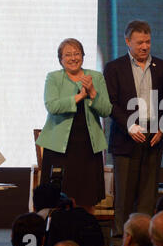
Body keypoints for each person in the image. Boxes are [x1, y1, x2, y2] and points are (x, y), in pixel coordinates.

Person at [103, 20, 163, 236]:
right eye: (140, 42)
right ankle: (122, 237)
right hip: (125, 136)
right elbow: (110, 103)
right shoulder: (114, 68)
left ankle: (145, 237)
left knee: (149, 194)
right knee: (124, 194)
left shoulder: (162, 66)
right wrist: (130, 125)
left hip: (154, 136)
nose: (145, 47)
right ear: (127, 42)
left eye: (148, 42)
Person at [36, 38, 112, 215]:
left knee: (87, 198)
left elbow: (106, 110)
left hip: (87, 148)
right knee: (54, 199)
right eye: (67, 55)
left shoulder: (96, 77)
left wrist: (92, 93)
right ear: (60, 59)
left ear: (83, 56)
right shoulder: (54, 77)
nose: (73, 58)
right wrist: (79, 97)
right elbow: (52, 106)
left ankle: (85, 236)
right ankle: (54, 237)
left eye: (77, 53)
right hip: (59, 149)